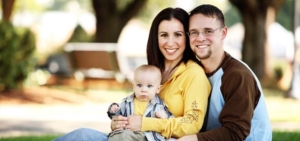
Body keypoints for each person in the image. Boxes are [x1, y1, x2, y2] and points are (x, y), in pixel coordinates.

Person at [53, 7, 211, 141]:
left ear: (188, 37)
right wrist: (119, 122)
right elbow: (135, 107)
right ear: (156, 38)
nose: (170, 42)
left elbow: (193, 124)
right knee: (81, 135)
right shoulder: (154, 70)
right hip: (129, 137)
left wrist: (145, 123)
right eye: (164, 35)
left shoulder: (194, 74)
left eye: (178, 34)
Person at [177, 4, 272, 141]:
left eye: (208, 31)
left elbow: (235, 133)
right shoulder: (194, 71)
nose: (200, 38)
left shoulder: (237, 75)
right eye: (194, 32)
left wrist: (188, 140)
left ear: (223, 33)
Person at [107, 64, 173, 141]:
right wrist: (114, 110)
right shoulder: (127, 102)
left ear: (158, 89)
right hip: (129, 134)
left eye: (149, 86)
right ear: (133, 87)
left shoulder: (160, 105)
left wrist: (164, 115)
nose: (143, 90)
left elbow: (171, 120)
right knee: (118, 136)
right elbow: (117, 117)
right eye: (139, 85)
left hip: (149, 137)